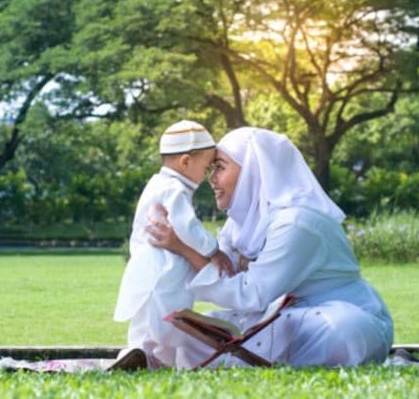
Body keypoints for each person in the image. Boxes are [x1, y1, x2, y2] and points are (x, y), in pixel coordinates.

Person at [146, 127, 394, 368]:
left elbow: (251, 294)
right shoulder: (238, 222)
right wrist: (178, 241)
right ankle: (246, 356)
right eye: (211, 169)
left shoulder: (297, 222)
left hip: (332, 315)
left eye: (220, 168)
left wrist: (182, 247)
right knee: (182, 335)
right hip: (267, 319)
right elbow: (225, 273)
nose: (211, 179)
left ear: (256, 171)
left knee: (342, 331)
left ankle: (248, 357)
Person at [113, 120, 234, 369]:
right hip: (165, 268)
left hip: (148, 266)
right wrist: (213, 250)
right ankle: (157, 360)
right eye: (206, 166)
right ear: (186, 162)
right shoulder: (174, 189)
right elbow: (187, 225)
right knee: (167, 317)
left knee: (146, 318)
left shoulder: (157, 184)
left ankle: (138, 354)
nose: (208, 175)